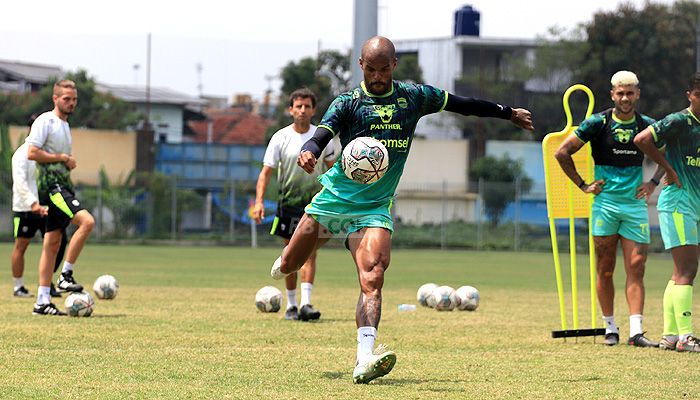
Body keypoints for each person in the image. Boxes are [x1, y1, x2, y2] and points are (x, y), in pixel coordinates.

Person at [270, 36, 533, 383]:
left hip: (375, 206)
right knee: (291, 263)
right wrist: (310, 151)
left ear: (394, 65)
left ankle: (364, 357)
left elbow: (462, 103)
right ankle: (294, 256)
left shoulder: (413, 97)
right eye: (371, 69)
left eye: (384, 69)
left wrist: (506, 112)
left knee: (374, 275)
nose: (378, 76)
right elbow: (322, 133)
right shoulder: (348, 102)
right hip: (334, 201)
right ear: (361, 66)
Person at [554, 71, 661, 347]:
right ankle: (610, 327)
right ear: (612, 94)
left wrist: (653, 182)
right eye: (620, 93)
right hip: (605, 206)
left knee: (637, 266)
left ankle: (636, 331)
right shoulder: (597, 123)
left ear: (637, 94)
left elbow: (670, 151)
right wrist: (583, 185)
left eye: (630, 93)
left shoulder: (647, 125)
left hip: (635, 206)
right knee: (605, 269)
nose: (625, 98)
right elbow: (562, 152)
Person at [253, 88, 336, 321]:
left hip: (315, 204)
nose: (302, 110)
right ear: (291, 110)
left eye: (307, 106)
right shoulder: (280, 137)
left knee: (310, 252)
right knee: (289, 252)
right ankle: (291, 305)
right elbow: (265, 173)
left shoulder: (322, 137)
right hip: (288, 204)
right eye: (298, 106)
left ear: (313, 110)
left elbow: (332, 170)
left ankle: (307, 304)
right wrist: (259, 201)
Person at [633, 72, 700, 352]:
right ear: (690, 95)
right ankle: (686, 336)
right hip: (678, 203)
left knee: (678, 273)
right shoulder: (680, 120)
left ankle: (671, 335)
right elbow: (642, 139)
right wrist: (668, 170)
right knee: (687, 269)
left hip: (690, 204)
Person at [26, 79, 95, 316]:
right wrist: (63, 158)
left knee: (52, 243)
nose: (71, 103)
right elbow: (32, 152)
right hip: (53, 188)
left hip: (63, 185)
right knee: (87, 222)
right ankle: (65, 275)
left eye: (74, 99)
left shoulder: (65, 125)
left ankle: (42, 302)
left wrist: (67, 162)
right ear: (55, 99)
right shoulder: (46, 121)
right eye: (66, 98)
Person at [11, 132, 67, 298]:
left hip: (47, 207)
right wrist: (33, 204)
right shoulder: (21, 154)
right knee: (21, 246)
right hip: (25, 209)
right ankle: (18, 286)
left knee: (58, 242)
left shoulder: (47, 154)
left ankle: (46, 283)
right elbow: (20, 182)